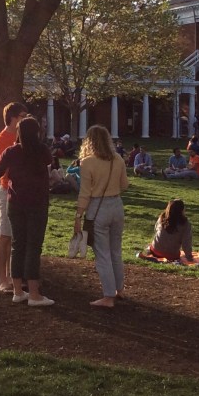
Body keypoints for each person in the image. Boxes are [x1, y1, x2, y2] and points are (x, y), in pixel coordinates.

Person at [0, 116, 55, 306]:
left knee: (18, 245)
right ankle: (34, 293)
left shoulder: (11, 151)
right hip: (37, 202)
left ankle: (18, 290)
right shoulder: (42, 150)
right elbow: (50, 163)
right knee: (33, 246)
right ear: (37, 132)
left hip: (16, 202)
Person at [72, 124, 131, 308]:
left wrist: (78, 215)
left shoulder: (87, 162)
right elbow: (125, 185)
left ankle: (108, 296)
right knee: (115, 250)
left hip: (98, 207)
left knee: (102, 253)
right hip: (117, 205)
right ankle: (119, 289)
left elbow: (84, 193)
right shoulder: (118, 159)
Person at [0, 102, 27, 293]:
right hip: (7, 190)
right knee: (5, 235)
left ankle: (15, 278)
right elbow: (5, 167)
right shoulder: (2, 138)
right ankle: (2, 279)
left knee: (17, 237)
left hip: (22, 190)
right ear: (13, 117)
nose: (25, 119)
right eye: (23, 115)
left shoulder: (23, 136)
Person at [147, 198, 194, 262]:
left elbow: (156, 229)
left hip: (155, 251)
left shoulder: (162, 217)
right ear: (182, 210)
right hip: (171, 256)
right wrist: (189, 258)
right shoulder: (185, 223)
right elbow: (186, 243)